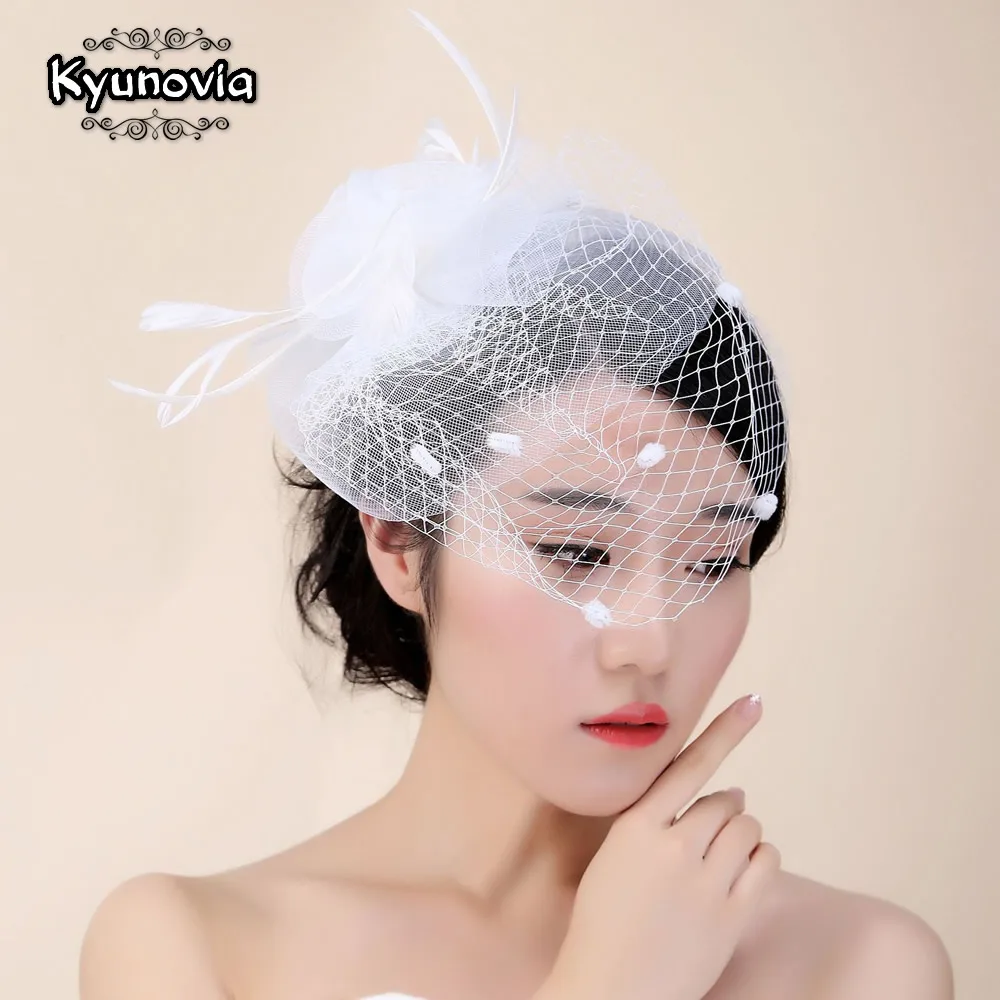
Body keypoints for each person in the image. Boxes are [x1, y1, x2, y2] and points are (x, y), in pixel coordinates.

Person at [81, 12, 954, 1000]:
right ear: (398, 539)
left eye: (713, 561)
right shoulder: (191, 948)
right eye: (577, 550)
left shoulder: (861, 964)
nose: (648, 641)